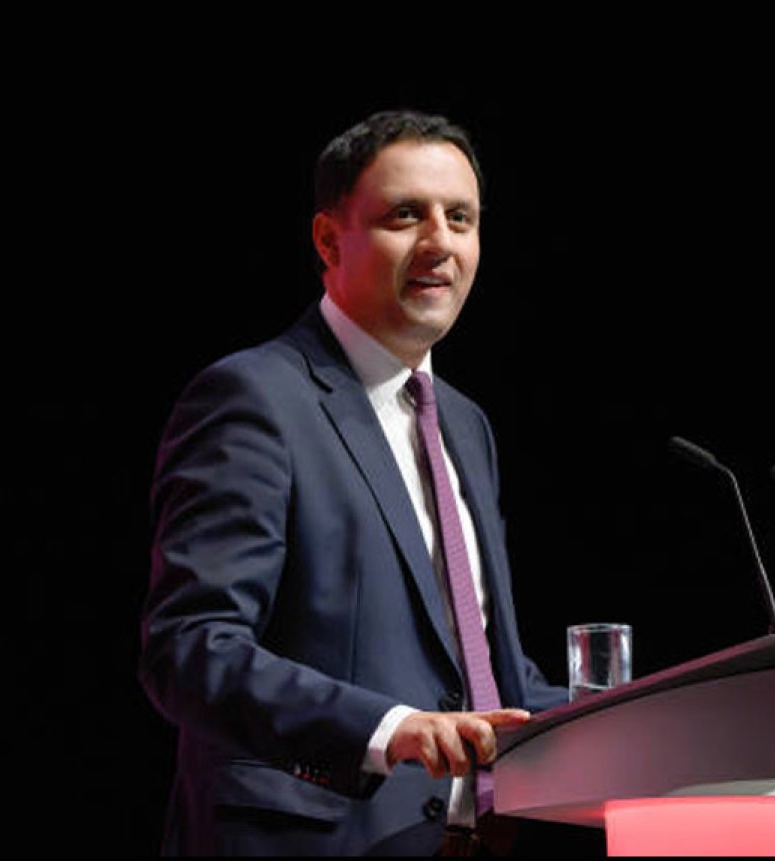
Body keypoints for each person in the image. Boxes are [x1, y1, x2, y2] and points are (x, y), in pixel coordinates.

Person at [138, 110, 569, 855]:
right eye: (407, 214)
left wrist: (651, 712)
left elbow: (487, 676)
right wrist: (386, 728)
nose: (440, 241)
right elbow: (189, 646)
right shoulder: (255, 398)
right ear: (329, 240)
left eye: (460, 217)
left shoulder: (466, 425)